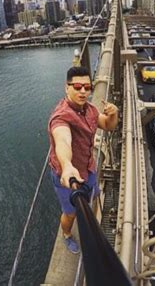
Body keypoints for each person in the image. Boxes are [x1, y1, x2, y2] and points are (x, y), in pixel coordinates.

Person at [47, 66, 119, 254]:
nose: (83, 91)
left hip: (88, 167)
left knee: (93, 193)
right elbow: (62, 140)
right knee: (70, 214)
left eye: (87, 87)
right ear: (67, 87)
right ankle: (67, 235)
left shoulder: (90, 110)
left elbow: (108, 126)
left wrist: (114, 113)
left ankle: (91, 196)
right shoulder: (61, 116)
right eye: (77, 86)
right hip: (67, 177)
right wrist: (67, 166)